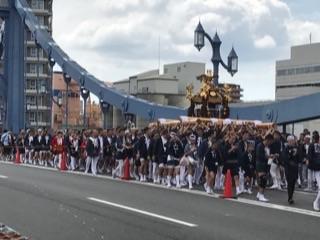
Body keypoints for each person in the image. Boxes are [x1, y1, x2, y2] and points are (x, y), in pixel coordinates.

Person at [256, 133, 274, 202]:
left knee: (264, 179)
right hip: (260, 164)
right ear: (268, 140)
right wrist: (269, 156)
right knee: (262, 180)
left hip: (265, 164)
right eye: (270, 142)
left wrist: (270, 156)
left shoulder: (266, 147)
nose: (270, 143)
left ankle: (259, 194)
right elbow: (260, 156)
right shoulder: (260, 146)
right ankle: (261, 195)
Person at [282, 135, 299, 204]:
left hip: (295, 168)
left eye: (293, 141)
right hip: (288, 168)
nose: (292, 142)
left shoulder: (296, 148)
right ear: (288, 141)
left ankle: (291, 196)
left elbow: (298, 156)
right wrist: (290, 161)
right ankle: (290, 198)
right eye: (291, 141)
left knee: (293, 183)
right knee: (290, 183)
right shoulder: (286, 148)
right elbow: (285, 158)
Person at [308, 131, 320, 211]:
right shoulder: (311, 146)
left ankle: (317, 202)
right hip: (316, 169)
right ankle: (316, 202)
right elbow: (310, 157)